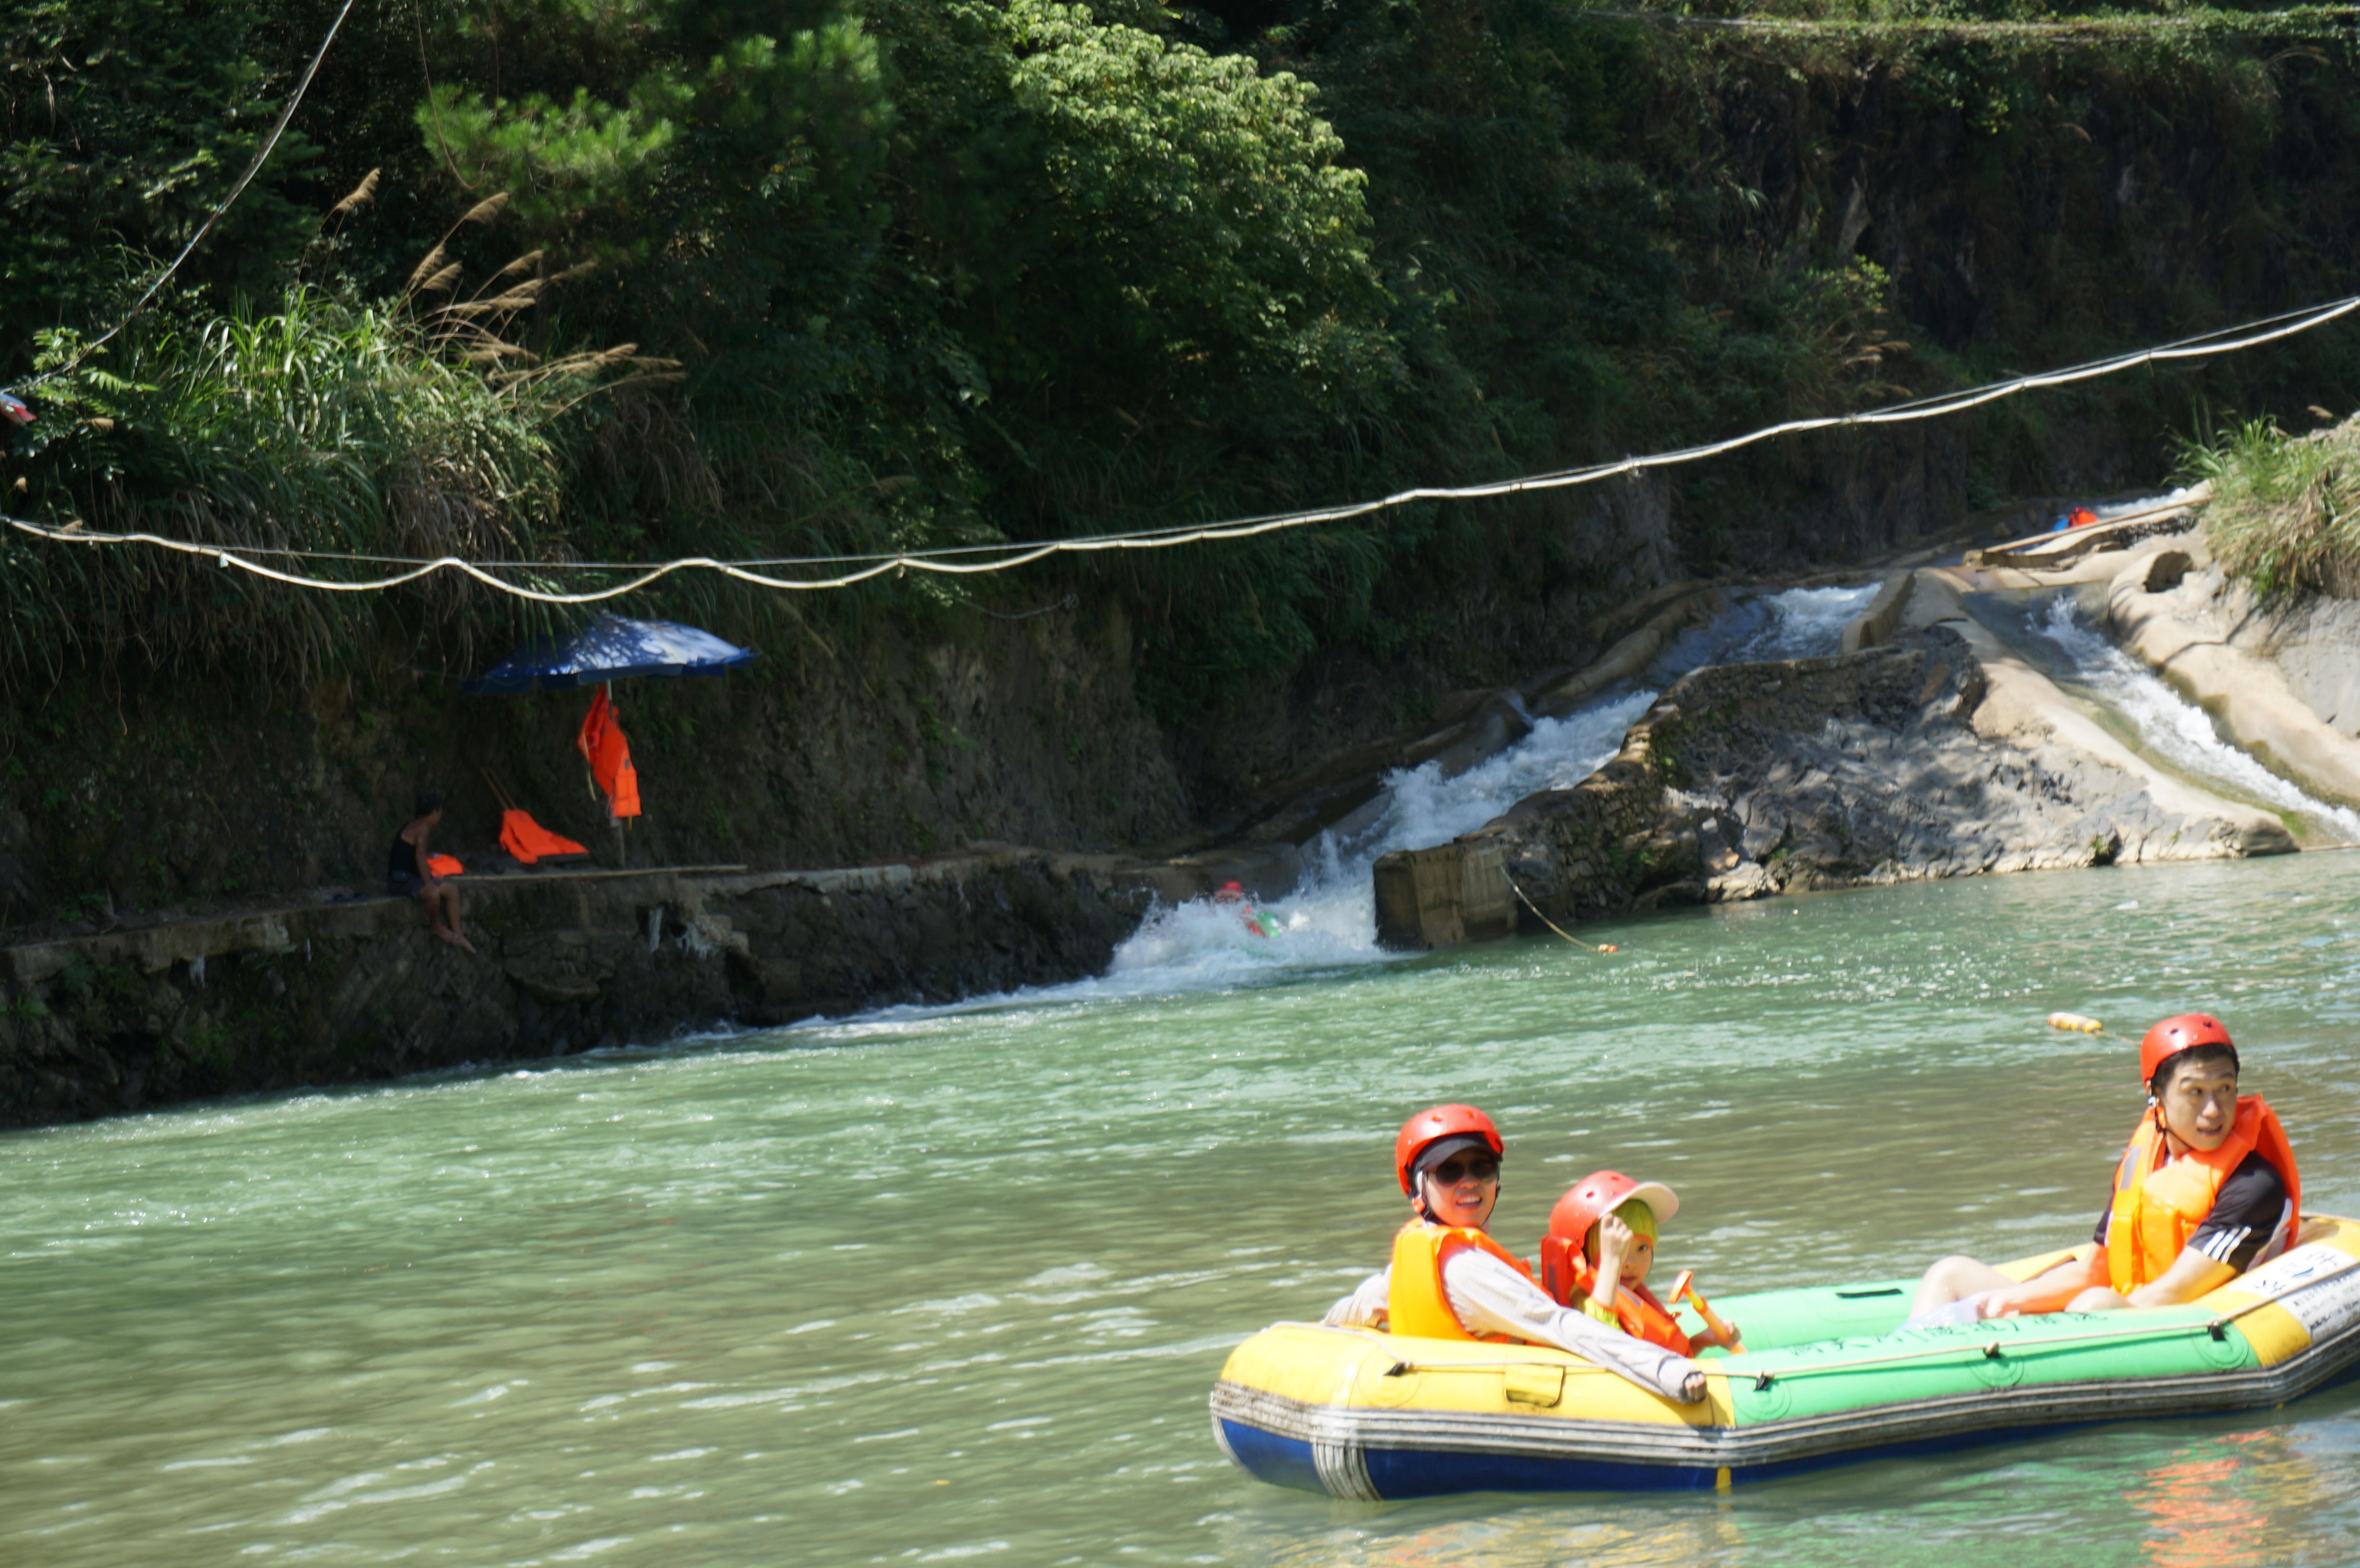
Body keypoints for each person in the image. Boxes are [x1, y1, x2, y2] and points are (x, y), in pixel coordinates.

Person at [1911, 1014, 2299, 1322]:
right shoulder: (2145, 1164)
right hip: (2120, 1301)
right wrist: (2012, 1299)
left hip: (2186, 1318)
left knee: (2093, 1304)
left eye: (2225, 1089)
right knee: (1950, 1273)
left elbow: (2171, 1294)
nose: (2214, 1110)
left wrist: (2091, 1310)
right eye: (2194, 1092)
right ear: (2156, 1098)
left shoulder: (2254, 1186)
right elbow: (2098, 1270)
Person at [1322, 1104, 1709, 1403]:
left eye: (1482, 1167)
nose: (1470, 1181)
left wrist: (1320, 1333)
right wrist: (1664, 1368)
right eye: (1448, 1172)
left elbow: (1358, 1308)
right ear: (1418, 1190)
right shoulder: (1465, 1269)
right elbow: (1557, 1325)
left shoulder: (1419, 1257)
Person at [1538, 1171, 1740, 1354]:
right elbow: (1600, 1342)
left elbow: (1655, 1359)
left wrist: (1700, 1342)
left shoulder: (1630, 1295)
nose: (1630, 1263)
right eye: (1619, 1249)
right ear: (1584, 1254)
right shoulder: (1581, 1304)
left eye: (1642, 1248)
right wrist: (1611, 1264)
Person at [390, 791, 477, 953]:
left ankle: (458, 933)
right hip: (402, 881)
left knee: (452, 890)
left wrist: (430, 877)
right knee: (433, 894)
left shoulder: (417, 825)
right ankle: (436, 926)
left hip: (413, 878)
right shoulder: (422, 827)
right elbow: (420, 855)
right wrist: (429, 883)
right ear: (436, 812)